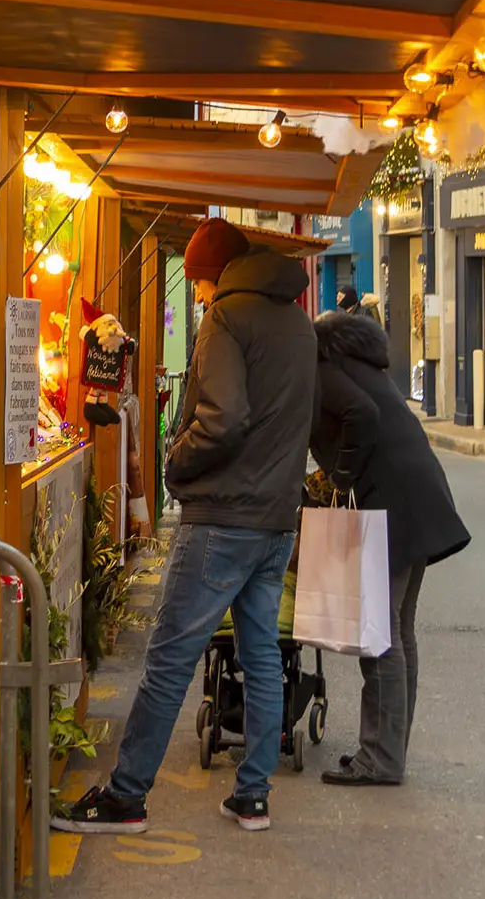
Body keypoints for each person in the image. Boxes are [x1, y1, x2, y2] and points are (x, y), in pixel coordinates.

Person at [52, 217, 316, 836]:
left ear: (214, 274)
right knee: (261, 654)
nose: (195, 294)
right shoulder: (298, 322)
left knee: (170, 659)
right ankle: (252, 796)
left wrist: (175, 459)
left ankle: (126, 797)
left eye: (197, 282)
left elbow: (223, 418)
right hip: (276, 519)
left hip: (222, 517)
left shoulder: (226, 318)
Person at [309, 312, 469, 786]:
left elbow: (362, 417)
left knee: (381, 635)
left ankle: (378, 759)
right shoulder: (361, 366)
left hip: (390, 505)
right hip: (416, 497)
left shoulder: (326, 369)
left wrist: (340, 477)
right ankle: (387, 750)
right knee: (398, 628)